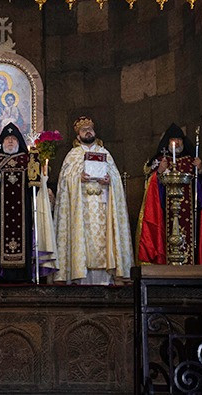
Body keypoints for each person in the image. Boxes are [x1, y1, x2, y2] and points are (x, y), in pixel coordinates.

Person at [0, 123, 56, 282]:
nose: (10, 141)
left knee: (25, 240)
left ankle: (24, 275)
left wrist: (35, 171)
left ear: (19, 142)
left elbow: (36, 188)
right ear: (1, 142)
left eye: (14, 138)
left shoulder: (27, 160)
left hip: (23, 212)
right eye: (7, 138)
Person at [53, 116, 133, 285]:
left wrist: (110, 180)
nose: (88, 132)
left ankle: (108, 278)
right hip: (81, 209)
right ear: (78, 135)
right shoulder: (73, 155)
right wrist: (77, 178)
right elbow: (64, 181)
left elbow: (116, 178)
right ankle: (80, 276)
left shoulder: (105, 153)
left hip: (103, 205)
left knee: (105, 241)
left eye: (90, 129)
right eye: (84, 130)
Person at [136, 124, 202, 265]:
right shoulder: (161, 160)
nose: (177, 143)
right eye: (173, 139)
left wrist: (200, 170)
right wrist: (159, 172)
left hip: (188, 211)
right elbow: (151, 188)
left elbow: (201, 189)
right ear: (167, 142)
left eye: (179, 139)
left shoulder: (191, 160)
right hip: (165, 211)